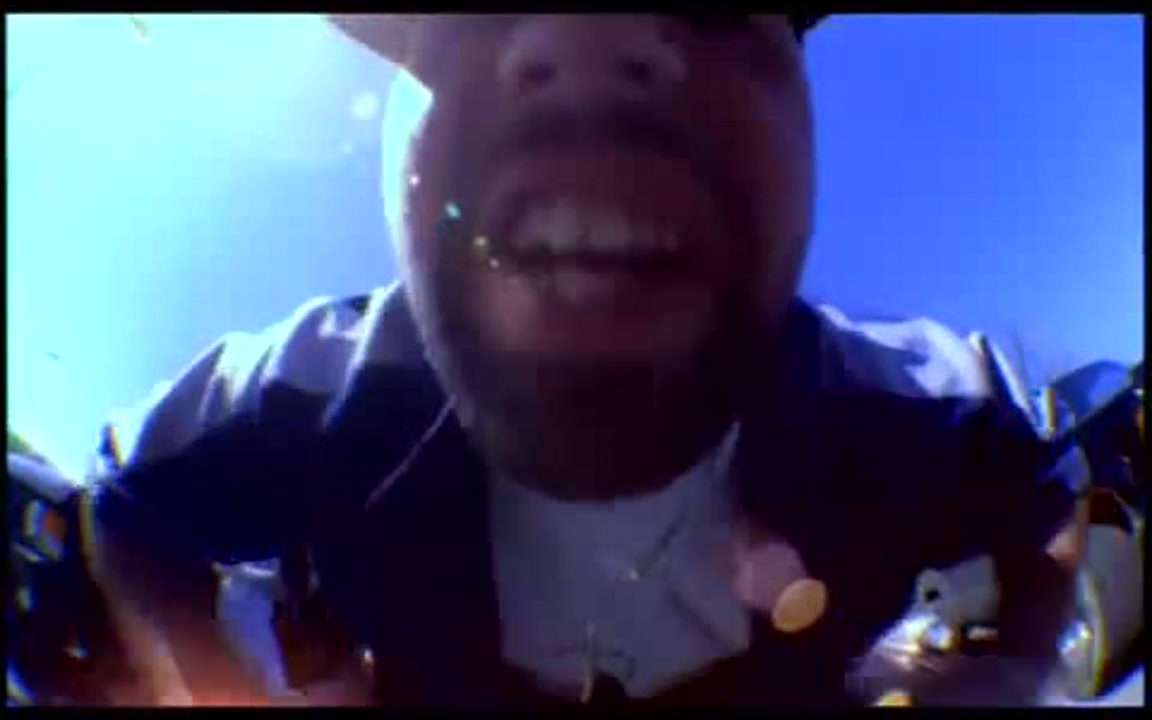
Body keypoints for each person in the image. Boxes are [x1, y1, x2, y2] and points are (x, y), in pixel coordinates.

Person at [83, 14, 1083, 707]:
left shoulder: (940, 412)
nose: (585, 39)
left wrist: (974, 679)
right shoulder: (307, 394)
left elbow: (1065, 489)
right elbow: (128, 503)